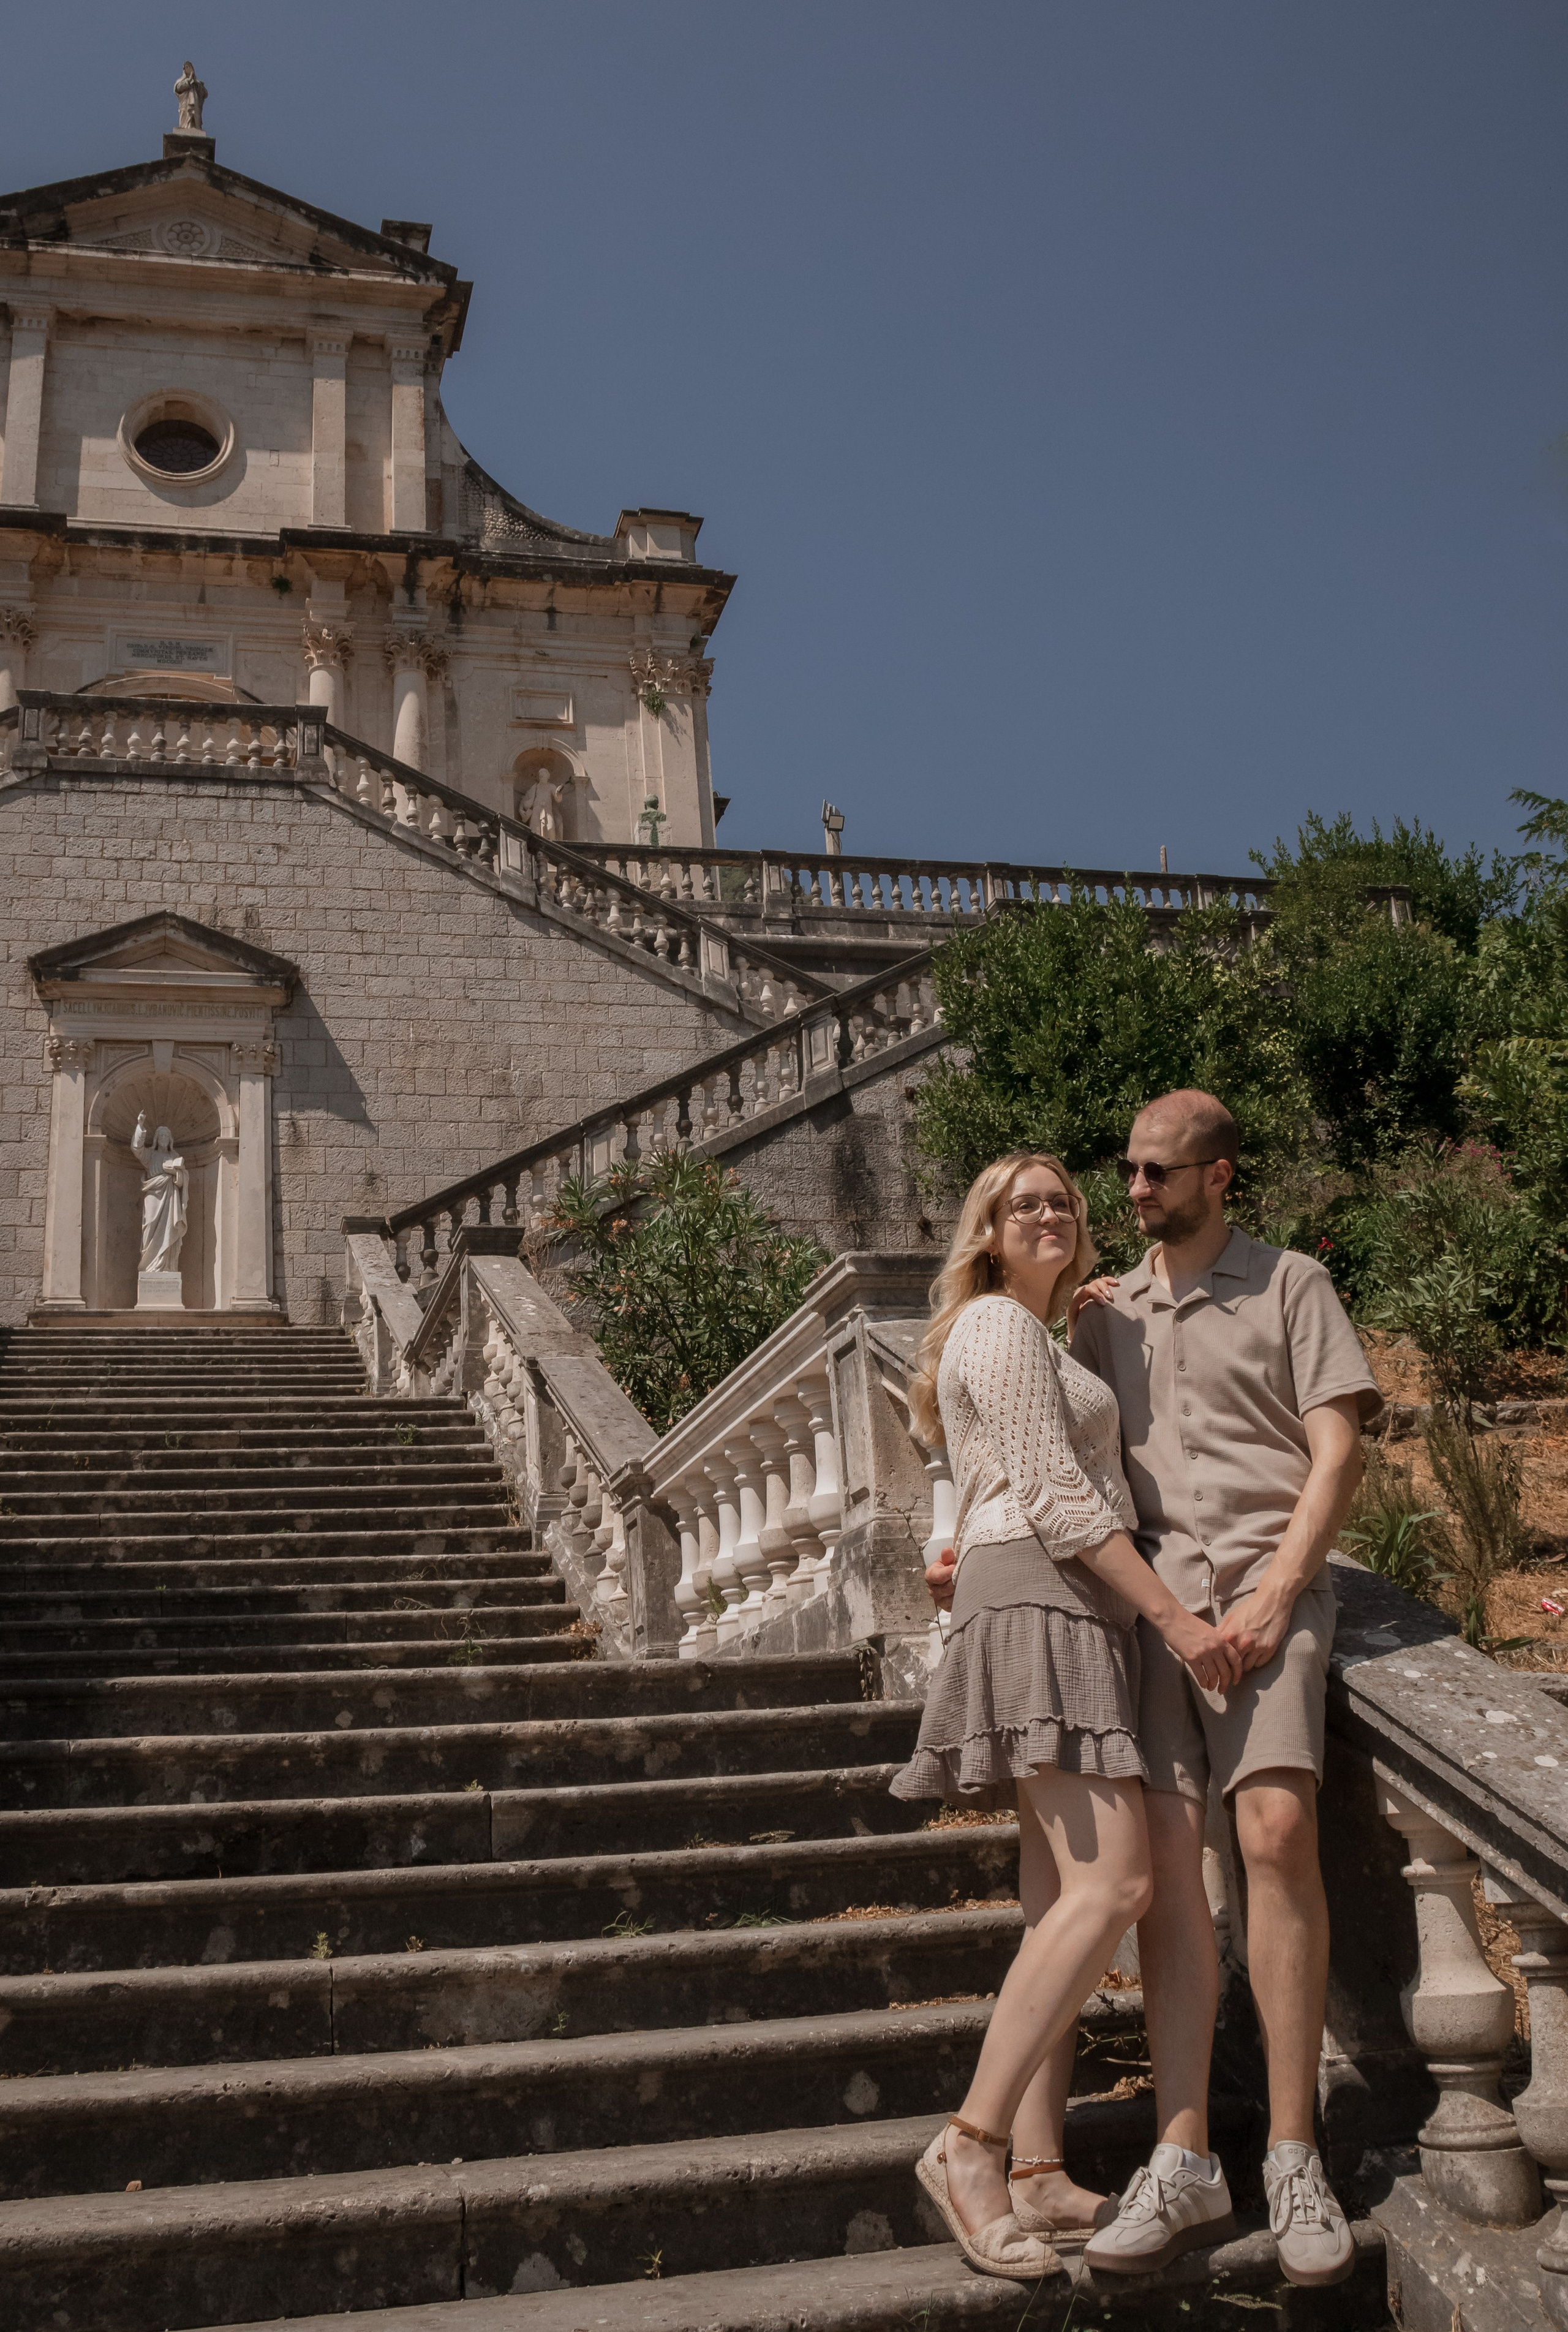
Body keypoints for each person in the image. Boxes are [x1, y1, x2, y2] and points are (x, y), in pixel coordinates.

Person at [891, 1150, 1244, 2282]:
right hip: (1045, 1591)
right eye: (1020, 1203)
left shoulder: (1033, 1332)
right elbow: (1050, 1492)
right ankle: (971, 2144)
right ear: (986, 1231)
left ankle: (1037, 2167)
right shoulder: (996, 1325)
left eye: (1062, 1200)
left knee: (1057, 1898)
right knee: (1118, 1885)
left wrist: (1084, 1311)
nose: (1047, 1212)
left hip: (1059, 1599)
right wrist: (1179, 1623)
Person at [1069, 1089, 1379, 2289]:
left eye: (1157, 1172)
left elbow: (1336, 1445)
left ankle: (1294, 2150)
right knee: (1161, 1862)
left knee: (1276, 1823)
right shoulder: (1107, 1314)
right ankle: (1183, 2150)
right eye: (1128, 1169)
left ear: (1218, 1175)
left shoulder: (1290, 1282)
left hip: (1265, 1590)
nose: (1135, 1190)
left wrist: (1271, 1594)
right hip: (1159, 1611)